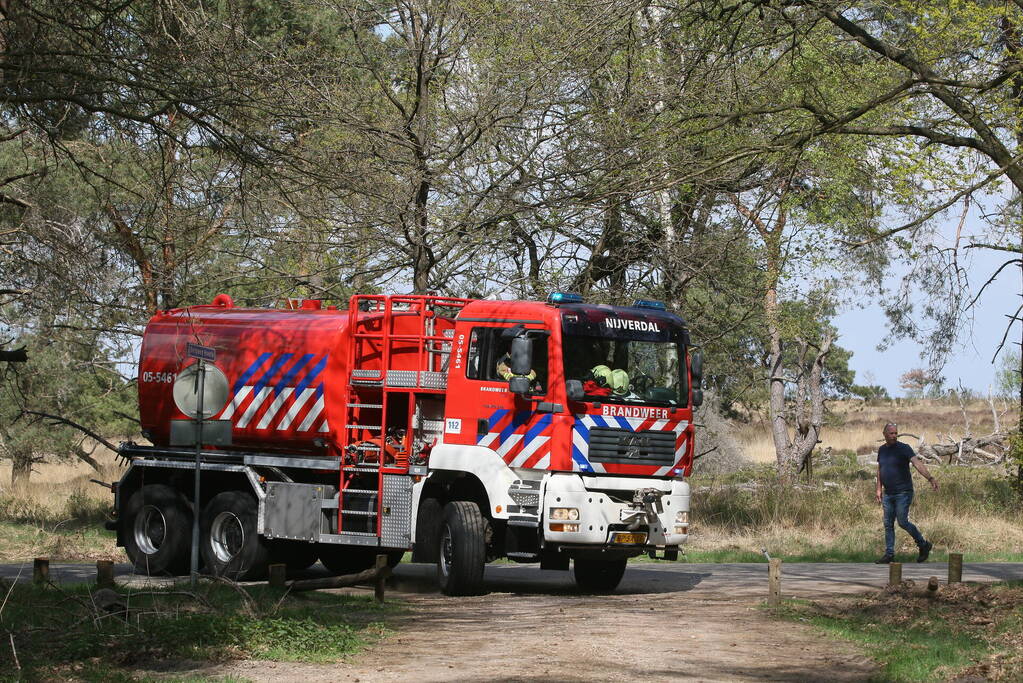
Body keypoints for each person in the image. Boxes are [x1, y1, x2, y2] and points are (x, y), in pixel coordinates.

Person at [874, 422, 939, 564]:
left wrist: (930, 478)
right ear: (884, 434)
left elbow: (917, 464)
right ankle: (889, 554)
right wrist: (878, 489)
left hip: (903, 492)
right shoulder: (882, 450)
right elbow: (880, 469)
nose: (894, 436)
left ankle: (923, 545)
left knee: (902, 522)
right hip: (888, 493)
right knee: (888, 524)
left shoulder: (904, 448)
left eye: (896, 433)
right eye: (891, 433)